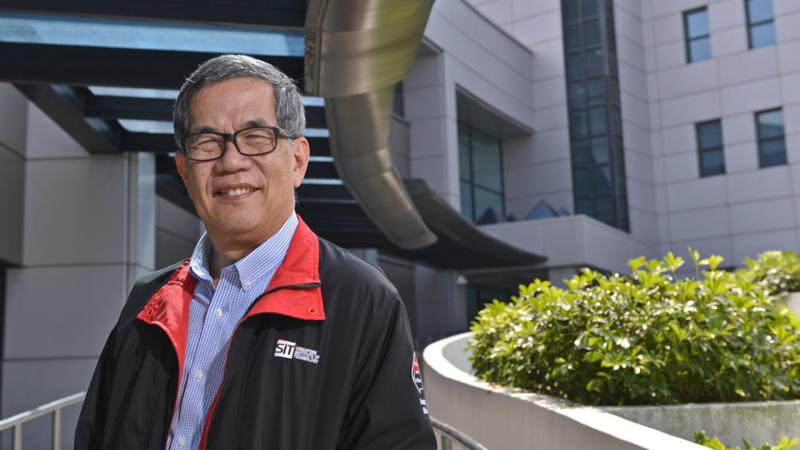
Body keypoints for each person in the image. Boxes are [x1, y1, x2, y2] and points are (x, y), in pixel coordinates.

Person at [75, 54, 436, 450]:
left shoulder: (364, 302)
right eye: (207, 143)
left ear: (297, 161)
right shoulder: (149, 300)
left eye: (255, 137)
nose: (231, 161)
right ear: (184, 171)